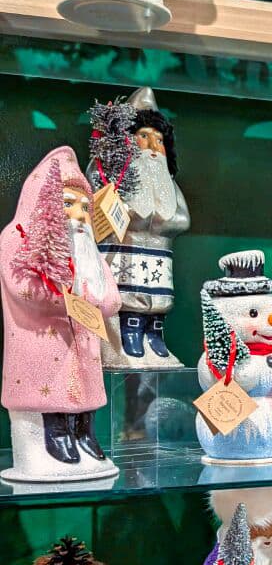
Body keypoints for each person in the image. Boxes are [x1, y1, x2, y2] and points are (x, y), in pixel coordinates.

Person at [0, 147, 120, 479]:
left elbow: (110, 299)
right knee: (50, 392)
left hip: (83, 344)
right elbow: (24, 288)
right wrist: (69, 298)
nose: (79, 215)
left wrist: (96, 301)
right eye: (68, 204)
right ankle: (55, 436)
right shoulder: (16, 238)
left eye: (84, 206)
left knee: (86, 394)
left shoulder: (87, 251)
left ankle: (83, 434)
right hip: (39, 344)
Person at [87, 87, 190, 365]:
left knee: (157, 303)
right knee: (127, 299)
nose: (154, 147)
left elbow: (183, 219)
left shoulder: (169, 185)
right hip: (123, 257)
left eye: (159, 140)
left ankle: (154, 336)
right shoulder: (108, 173)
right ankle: (125, 335)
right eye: (144, 136)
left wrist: (162, 219)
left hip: (158, 259)